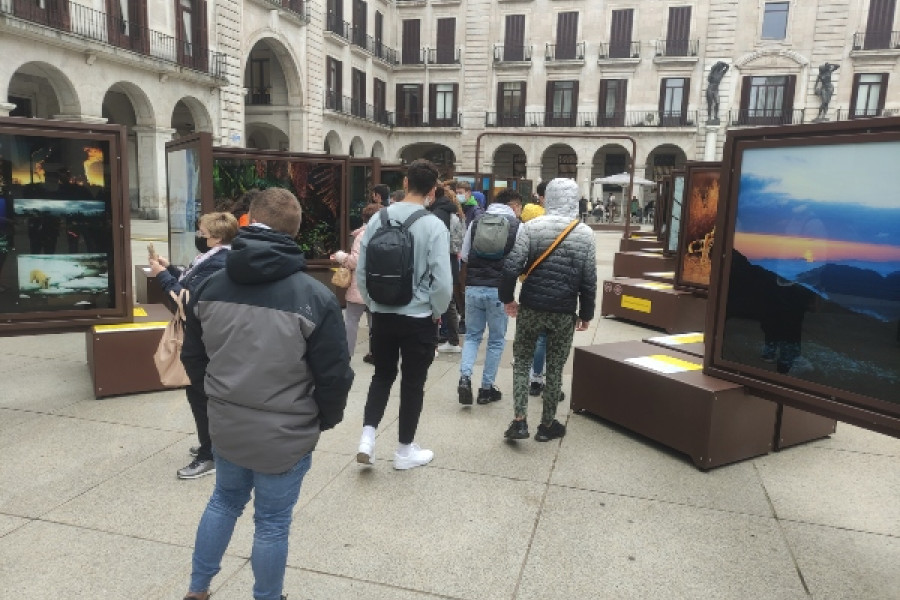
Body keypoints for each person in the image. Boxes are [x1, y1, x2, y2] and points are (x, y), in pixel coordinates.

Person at [180, 188, 353, 600]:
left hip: (227, 422)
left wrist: (215, 401)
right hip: (286, 429)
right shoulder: (313, 296)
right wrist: (322, 419)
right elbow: (335, 376)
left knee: (223, 501)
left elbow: (194, 357)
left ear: (246, 221)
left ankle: (197, 589)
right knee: (272, 523)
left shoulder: (209, 285)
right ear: (295, 230)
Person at [355, 159, 453, 470]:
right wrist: (436, 312)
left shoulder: (378, 218)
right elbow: (444, 281)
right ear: (433, 190)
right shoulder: (434, 224)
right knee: (413, 382)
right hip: (419, 316)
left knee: (381, 375)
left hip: (383, 313)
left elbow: (362, 269)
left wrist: (373, 302)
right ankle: (404, 450)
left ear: (406, 182)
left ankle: (367, 439)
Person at [499, 178, 597, 442]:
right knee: (555, 367)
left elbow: (511, 267)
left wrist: (508, 298)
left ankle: (519, 421)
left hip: (531, 306)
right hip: (564, 311)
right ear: (575, 199)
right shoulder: (585, 233)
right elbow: (588, 279)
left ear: (547, 198)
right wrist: (586, 313)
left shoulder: (531, 227)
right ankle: (547, 425)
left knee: (521, 362)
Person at [149, 211, 239, 480]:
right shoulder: (216, 257)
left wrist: (162, 277)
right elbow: (191, 281)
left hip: (204, 341)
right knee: (203, 394)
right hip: (209, 338)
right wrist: (172, 269)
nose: (199, 236)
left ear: (217, 237)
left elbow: (187, 299)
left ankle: (209, 454)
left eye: (202, 233)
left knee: (200, 395)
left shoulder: (218, 262)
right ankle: (211, 444)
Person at [457, 188, 523, 405]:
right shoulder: (517, 226)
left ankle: (465, 377)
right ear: (513, 205)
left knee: (473, 336)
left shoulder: (477, 222)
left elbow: (465, 255)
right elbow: (520, 261)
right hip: (499, 290)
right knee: (495, 341)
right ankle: (486, 389)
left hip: (474, 287)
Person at [331, 202, 381, 357]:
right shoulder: (384, 233)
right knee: (375, 321)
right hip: (379, 284)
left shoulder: (362, 235)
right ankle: (376, 353)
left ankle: (346, 353)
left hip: (360, 283)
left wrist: (341, 256)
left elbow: (355, 262)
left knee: (351, 320)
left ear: (364, 218)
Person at [517, 181, 551, 397]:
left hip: (529, 278)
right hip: (552, 281)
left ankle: (532, 374)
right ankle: (539, 376)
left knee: (533, 332)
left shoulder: (526, 217)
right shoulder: (551, 218)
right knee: (545, 336)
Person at [428, 185, 465, 353]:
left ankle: (435, 341)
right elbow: (459, 243)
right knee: (449, 302)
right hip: (451, 260)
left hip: (441, 259)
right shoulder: (456, 215)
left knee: (435, 301)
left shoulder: (437, 214)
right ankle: (453, 339)